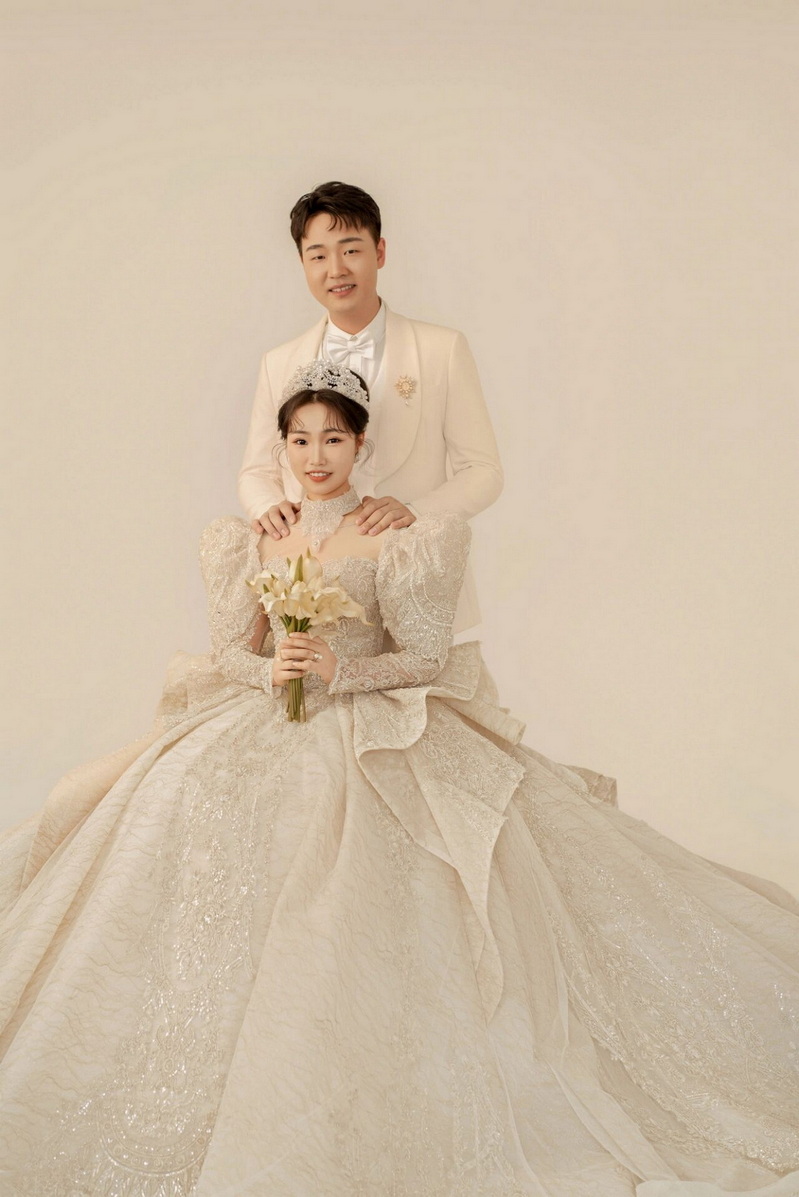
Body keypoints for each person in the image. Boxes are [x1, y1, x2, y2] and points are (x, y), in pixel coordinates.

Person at [1, 364, 798, 1197]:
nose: (315, 456)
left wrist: (338, 670)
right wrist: (272, 669)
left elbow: (422, 655)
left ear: (361, 445)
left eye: (332, 438)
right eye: (300, 440)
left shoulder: (401, 537)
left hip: (367, 721)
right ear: (282, 448)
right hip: (262, 716)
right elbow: (230, 649)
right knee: (168, 800)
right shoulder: (252, 538)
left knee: (342, 828)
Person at [238, 180, 503, 633]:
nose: (336, 269)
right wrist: (268, 506)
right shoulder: (278, 363)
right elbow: (256, 471)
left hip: (418, 588)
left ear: (379, 252)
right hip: (314, 596)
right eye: (318, 255)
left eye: (351, 250)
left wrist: (417, 511)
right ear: (302, 263)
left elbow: (484, 471)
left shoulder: (441, 349)